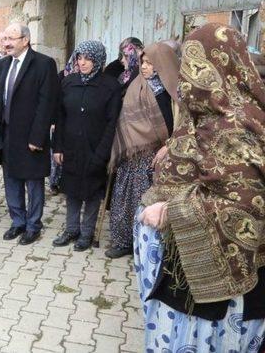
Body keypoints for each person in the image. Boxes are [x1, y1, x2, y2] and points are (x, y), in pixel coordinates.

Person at [135, 23, 265, 351]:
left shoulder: (236, 124)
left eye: (195, 66)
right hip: (188, 273)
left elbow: (245, 205)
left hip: (217, 299)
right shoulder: (209, 114)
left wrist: (170, 211)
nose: (187, 78)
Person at [105, 42, 179, 259]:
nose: (144, 67)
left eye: (149, 63)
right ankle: (123, 241)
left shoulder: (175, 91)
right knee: (127, 199)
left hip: (164, 158)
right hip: (134, 157)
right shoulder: (135, 86)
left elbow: (186, 125)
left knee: (154, 202)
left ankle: (151, 248)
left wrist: (169, 146)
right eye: (143, 62)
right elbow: (125, 121)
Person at [53, 40, 121, 251]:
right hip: (71, 147)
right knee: (71, 189)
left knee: (92, 192)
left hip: (95, 147)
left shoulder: (110, 86)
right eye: (79, 57)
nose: (82, 63)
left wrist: (102, 153)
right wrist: (57, 148)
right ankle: (71, 229)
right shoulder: (68, 82)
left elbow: (112, 122)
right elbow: (60, 117)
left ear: (98, 60)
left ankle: (87, 233)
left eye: (88, 59)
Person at [0, 23, 58, 245]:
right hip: (8, 134)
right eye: (5, 39)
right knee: (11, 180)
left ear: (25, 40)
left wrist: (37, 137)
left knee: (33, 182)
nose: (6, 43)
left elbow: (46, 103)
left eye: (11, 38)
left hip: (31, 137)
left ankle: (33, 226)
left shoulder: (43, 64)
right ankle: (18, 222)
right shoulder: (3, 64)